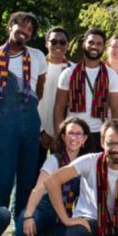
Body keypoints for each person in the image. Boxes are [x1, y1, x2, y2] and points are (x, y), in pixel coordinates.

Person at [0, 12, 47, 236]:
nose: (25, 30)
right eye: (21, 25)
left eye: (30, 29)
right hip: (5, 125)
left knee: (27, 183)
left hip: (30, 123)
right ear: (10, 25)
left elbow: (37, 91)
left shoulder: (38, 57)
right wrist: (0, 117)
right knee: (3, 183)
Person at [12, 117, 89, 236]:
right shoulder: (54, 160)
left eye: (79, 134)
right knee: (24, 220)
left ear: (84, 139)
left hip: (66, 214)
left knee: (86, 230)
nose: (74, 137)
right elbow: (39, 189)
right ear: (63, 137)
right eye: (70, 133)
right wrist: (29, 215)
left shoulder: (86, 162)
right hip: (45, 210)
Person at [55, 28, 118, 153]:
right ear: (84, 44)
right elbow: (59, 107)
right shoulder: (68, 73)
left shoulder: (111, 75)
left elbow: (116, 110)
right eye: (91, 42)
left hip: (99, 135)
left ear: (103, 48)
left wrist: (113, 137)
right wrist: (60, 137)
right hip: (74, 134)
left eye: (98, 44)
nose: (94, 46)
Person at [37, 26, 73, 167]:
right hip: (36, 133)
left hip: (62, 136)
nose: (58, 45)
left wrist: (59, 135)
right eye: (53, 42)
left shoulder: (73, 71)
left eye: (62, 42)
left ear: (68, 45)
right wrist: (41, 132)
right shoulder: (37, 68)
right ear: (47, 43)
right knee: (30, 180)